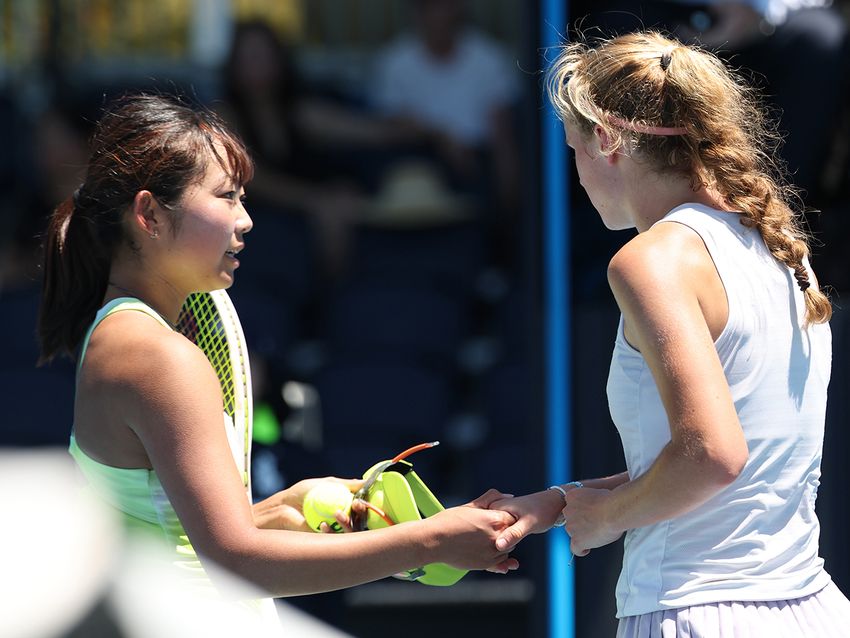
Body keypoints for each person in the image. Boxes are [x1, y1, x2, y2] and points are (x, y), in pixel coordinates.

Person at [36, 93, 517, 628]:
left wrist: (285, 503)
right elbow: (236, 560)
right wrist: (430, 541)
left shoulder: (119, 336)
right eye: (226, 197)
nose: (245, 220)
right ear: (149, 214)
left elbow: (173, 534)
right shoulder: (160, 357)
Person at [489, 30, 850, 635]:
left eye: (575, 149)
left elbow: (712, 457)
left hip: (694, 614)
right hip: (816, 611)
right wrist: (562, 503)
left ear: (606, 141)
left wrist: (607, 519)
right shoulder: (783, 249)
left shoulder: (650, 261)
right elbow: (720, 466)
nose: (577, 174)